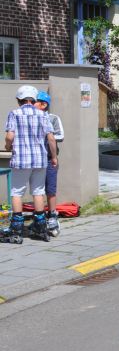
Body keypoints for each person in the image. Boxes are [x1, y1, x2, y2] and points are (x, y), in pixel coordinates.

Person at [2, 86, 57, 244]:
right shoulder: (42, 115)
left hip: (21, 160)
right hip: (40, 160)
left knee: (17, 192)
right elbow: (51, 138)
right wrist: (53, 157)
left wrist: (7, 146)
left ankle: (16, 230)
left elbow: (10, 136)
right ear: (34, 100)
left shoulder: (15, 113)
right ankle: (40, 227)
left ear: (19, 100)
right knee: (38, 191)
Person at [34, 91, 63, 237]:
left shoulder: (53, 118)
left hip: (49, 158)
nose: (32, 105)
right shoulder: (31, 118)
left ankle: (52, 216)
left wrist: (47, 134)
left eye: (35, 102)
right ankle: (39, 217)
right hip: (35, 159)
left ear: (44, 104)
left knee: (50, 189)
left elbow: (60, 135)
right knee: (37, 189)